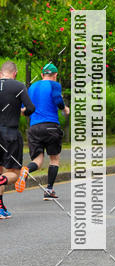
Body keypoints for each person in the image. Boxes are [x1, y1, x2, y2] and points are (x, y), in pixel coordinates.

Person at [15, 63, 69, 199]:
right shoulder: (54, 85)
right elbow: (58, 100)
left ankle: (26, 170)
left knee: (38, 160)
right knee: (54, 159)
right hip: (51, 126)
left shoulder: (32, 87)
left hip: (34, 128)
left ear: (42, 75)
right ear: (55, 75)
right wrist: (65, 109)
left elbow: (25, 110)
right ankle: (49, 190)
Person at [0, 61, 36, 217]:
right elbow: (31, 108)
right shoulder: (18, 86)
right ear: (14, 73)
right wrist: (22, 111)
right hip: (10, 134)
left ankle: (0, 208)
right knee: (14, 174)